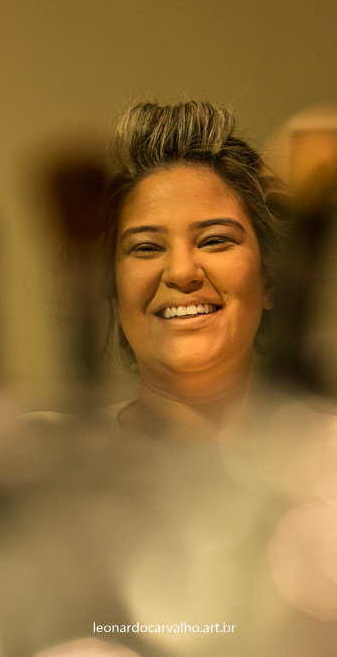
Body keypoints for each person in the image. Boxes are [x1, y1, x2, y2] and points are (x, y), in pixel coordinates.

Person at [101, 101, 286, 437]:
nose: (182, 273)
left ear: (269, 281)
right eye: (146, 247)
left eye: (214, 240)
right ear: (113, 287)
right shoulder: (40, 452)